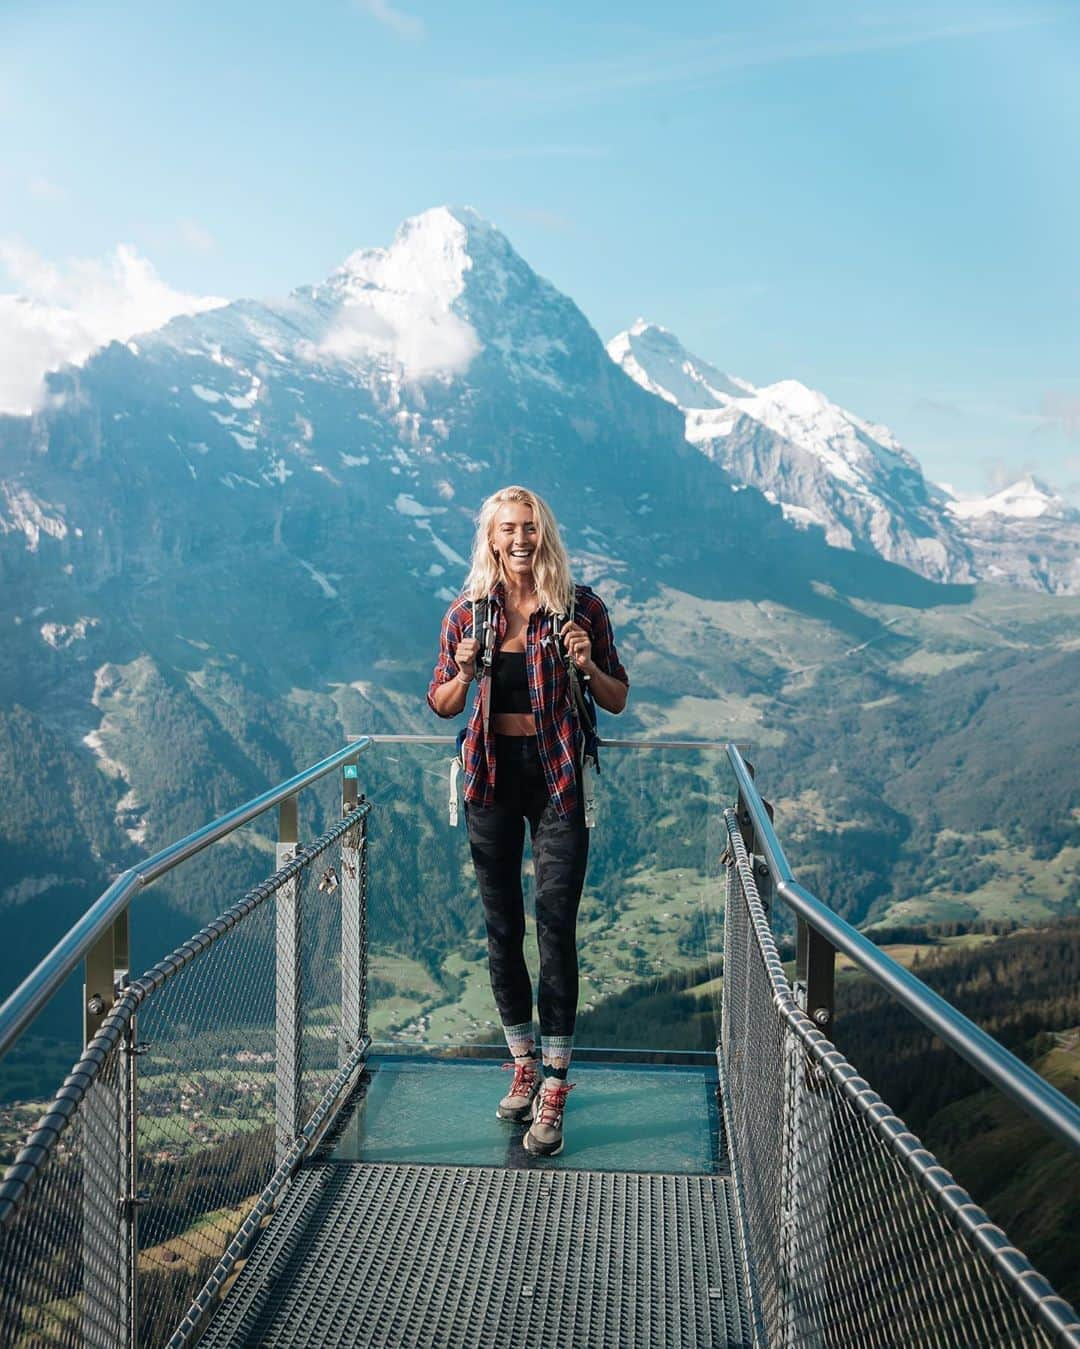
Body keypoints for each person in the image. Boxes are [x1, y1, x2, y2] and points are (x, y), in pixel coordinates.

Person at [427, 485, 629, 1156]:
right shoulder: (468, 614)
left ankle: (555, 1087)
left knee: (556, 927)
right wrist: (461, 672)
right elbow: (443, 703)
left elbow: (618, 696)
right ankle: (521, 1061)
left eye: (531, 527)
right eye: (508, 528)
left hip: (559, 777)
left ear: (545, 535)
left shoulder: (581, 607)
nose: (520, 538)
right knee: (502, 928)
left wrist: (587, 661)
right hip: (489, 780)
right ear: (490, 538)